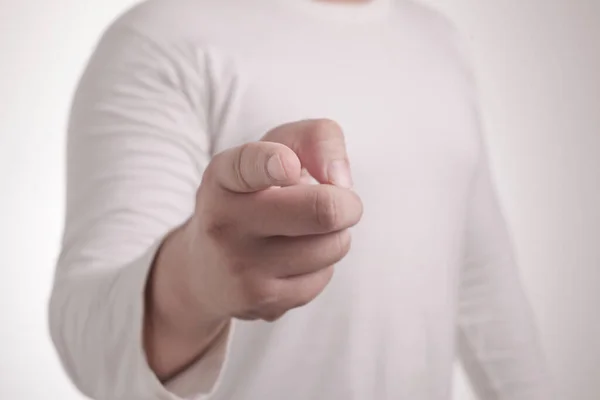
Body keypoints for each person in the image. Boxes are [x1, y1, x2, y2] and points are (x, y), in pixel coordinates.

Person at [48, 0, 552, 399]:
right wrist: (196, 283)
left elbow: (482, 287)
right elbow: (88, 344)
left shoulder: (438, 38)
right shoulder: (164, 35)